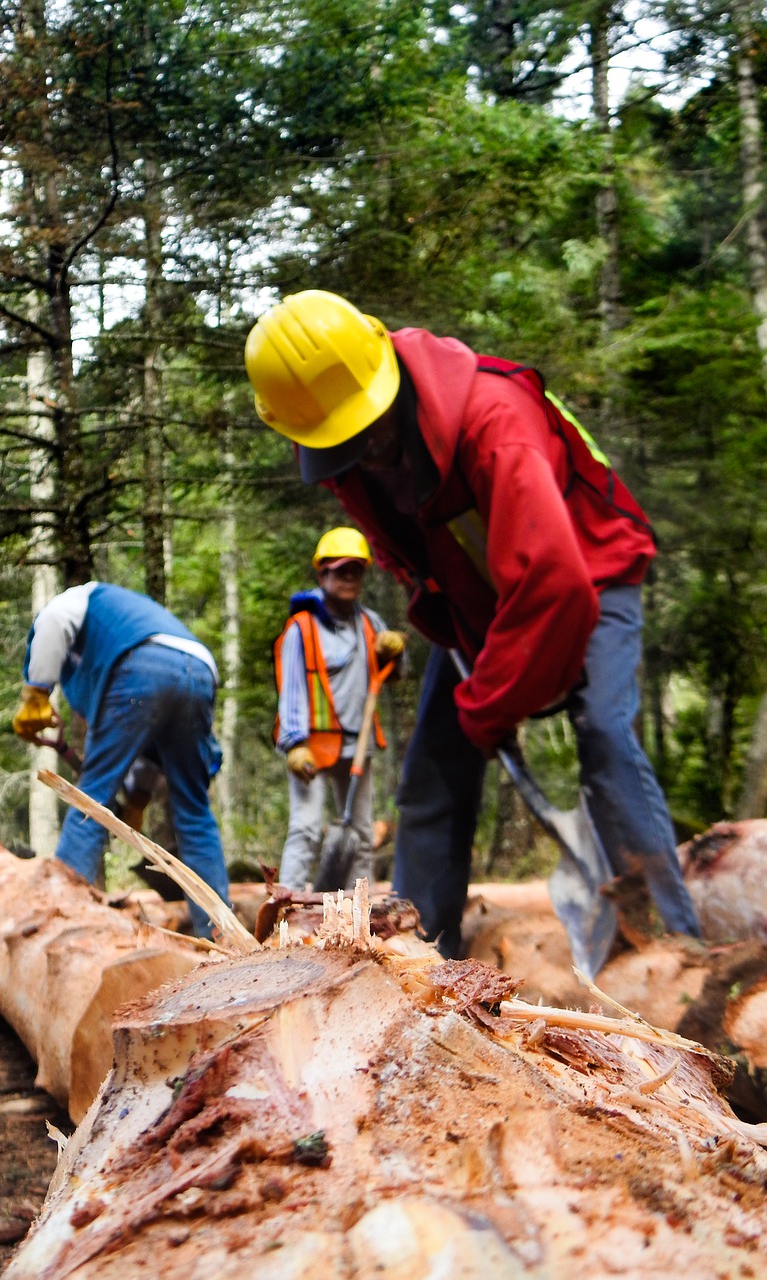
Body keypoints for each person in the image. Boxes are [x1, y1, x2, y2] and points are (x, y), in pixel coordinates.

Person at [245, 289, 701, 958]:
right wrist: (468, 679)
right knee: (432, 770)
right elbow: (420, 551)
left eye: (363, 437)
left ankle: (674, 940)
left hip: (590, 574)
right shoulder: (337, 439)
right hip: (480, 598)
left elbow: (557, 586)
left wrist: (489, 710)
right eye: (338, 445)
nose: (359, 455)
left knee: (604, 735)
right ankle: (420, 957)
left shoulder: (495, 422)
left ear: (384, 385)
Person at [11, 581, 229, 937]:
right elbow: (151, 751)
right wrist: (137, 800)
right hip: (201, 669)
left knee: (92, 798)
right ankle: (221, 935)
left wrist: (36, 693)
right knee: (194, 811)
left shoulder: (79, 598)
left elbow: (52, 619)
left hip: (143, 661)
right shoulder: (125, 620)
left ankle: (59, 924)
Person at [273, 527, 407, 891]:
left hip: (357, 745)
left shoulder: (370, 623)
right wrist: (294, 742)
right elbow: (293, 688)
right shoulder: (301, 628)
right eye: (340, 569)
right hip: (311, 745)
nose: (348, 577)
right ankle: (287, 910)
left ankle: (358, 916)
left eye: (356, 570)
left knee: (361, 834)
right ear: (322, 573)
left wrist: (394, 653)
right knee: (305, 829)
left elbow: (393, 676)